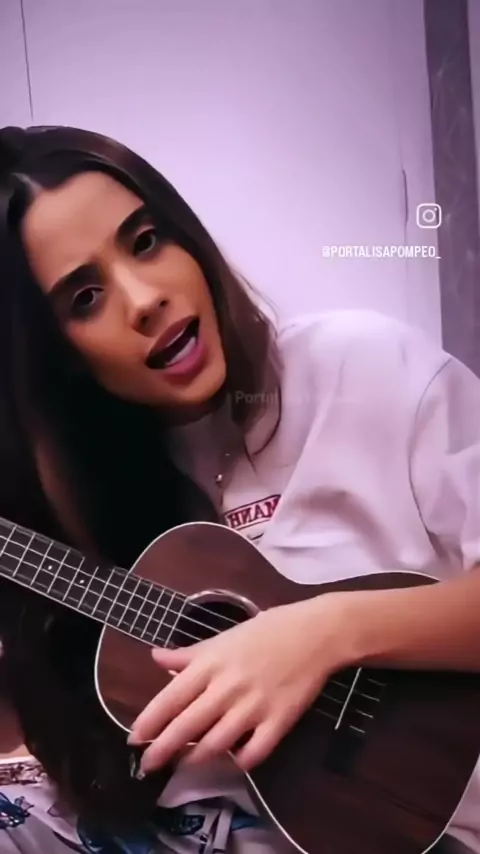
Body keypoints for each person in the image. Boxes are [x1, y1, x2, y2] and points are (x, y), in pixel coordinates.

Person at [0, 124, 478, 854]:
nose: (145, 299)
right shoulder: (95, 492)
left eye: (146, 241)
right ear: (54, 356)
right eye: (86, 297)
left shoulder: (365, 366)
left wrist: (323, 635)